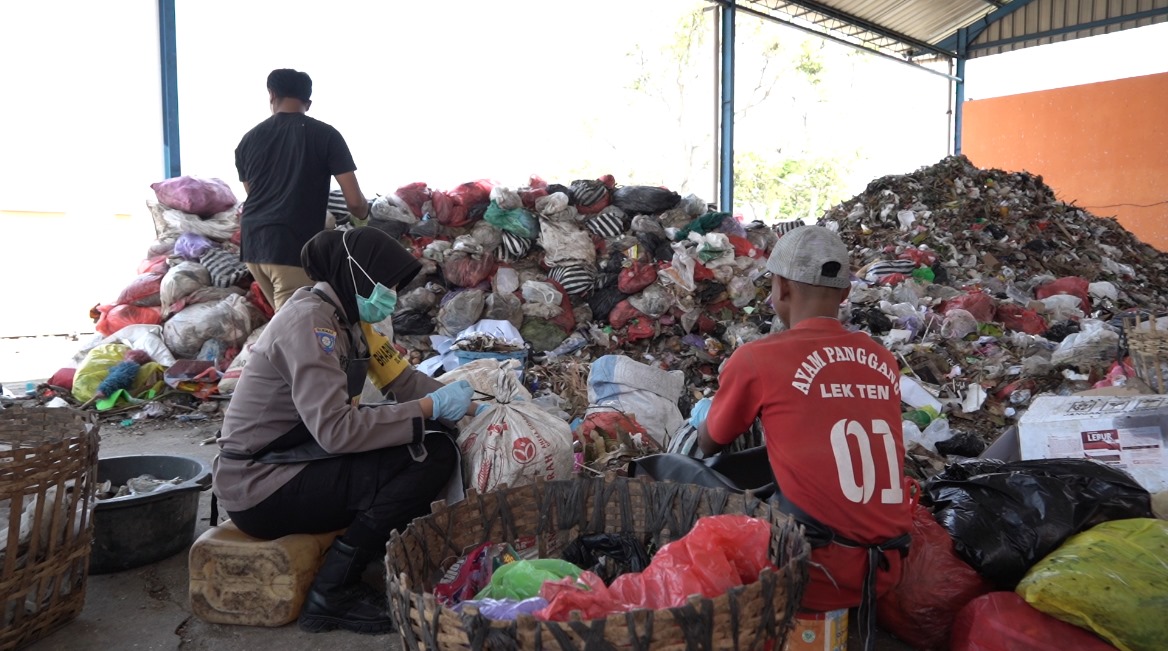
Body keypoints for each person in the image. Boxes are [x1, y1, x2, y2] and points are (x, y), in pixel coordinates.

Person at [214, 227, 479, 635]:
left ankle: (370, 556)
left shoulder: (347, 319)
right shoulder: (310, 324)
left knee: (432, 436)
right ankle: (332, 591)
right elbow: (336, 431)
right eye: (387, 283)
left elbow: (402, 382)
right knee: (428, 456)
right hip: (261, 484)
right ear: (358, 274)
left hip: (297, 457)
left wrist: (477, 407)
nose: (392, 294)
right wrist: (431, 408)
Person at [696, 226, 911, 651]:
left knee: (682, 478)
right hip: (887, 564)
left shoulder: (759, 357)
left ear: (782, 288)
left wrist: (705, 413)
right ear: (844, 293)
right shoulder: (882, 358)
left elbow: (710, 444)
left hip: (814, 571)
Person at [235, 68, 372, 310]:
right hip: (290, 247)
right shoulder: (326, 135)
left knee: (286, 321)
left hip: (254, 245)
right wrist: (362, 218)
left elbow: (253, 194)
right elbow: (354, 201)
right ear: (308, 102)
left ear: (271, 94)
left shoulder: (248, 140)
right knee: (297, 326)